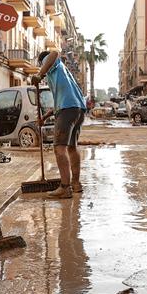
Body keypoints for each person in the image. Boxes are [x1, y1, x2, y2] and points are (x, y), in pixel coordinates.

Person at [32, 51, 86, 199]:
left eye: (41, 64)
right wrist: (45, 117)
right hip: (78, 109)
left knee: (59, 149)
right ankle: (75, 184)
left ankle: (65, 188)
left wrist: (40, 73)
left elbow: (55, 53)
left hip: (68, 109)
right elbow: (59, 101)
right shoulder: (61, 74)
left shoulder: (54, 65)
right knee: (72, 147)